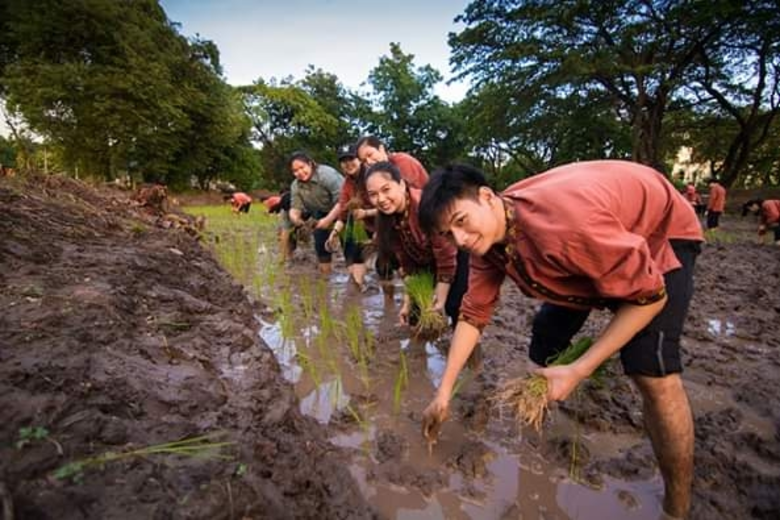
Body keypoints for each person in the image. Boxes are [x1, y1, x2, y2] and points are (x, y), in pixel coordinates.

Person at [417, 161, 703, 520]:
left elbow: (650, 297)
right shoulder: (488, 241)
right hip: (593, 241)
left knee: (650, 370)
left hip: (659, 228)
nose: (459, 240)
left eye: (461, 221)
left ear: (486, 197)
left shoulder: (567, 228)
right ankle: (536, 421)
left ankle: (677, 508)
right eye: (447, 235)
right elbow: (473, 315)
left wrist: (579, 370)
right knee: (546, 335)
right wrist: (443, 393)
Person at [364, 161, 469, 330]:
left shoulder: (424, 206)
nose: (381, 199)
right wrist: (407, 302)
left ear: (401, 184)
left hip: (455, 256)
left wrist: (440, 300)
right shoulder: (387, 220)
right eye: (373, 194)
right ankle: (421, 344)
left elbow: (446, 257)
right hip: (425, 262)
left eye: (386, 189)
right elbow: (407, 264)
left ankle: (466, 344)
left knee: (455, 307)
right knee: (414, 314)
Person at [287, 151, 344, 274]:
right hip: (320, 212)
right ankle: (326, 278)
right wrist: (296, 220)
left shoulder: (327, 175)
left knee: (350, 247)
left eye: (302, 167)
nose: (300, 172)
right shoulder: (295, 185)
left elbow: (343, 200)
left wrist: (328, 220)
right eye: (295, 171)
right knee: (321, 246)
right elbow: (295, 207)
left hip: (345, 209)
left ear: (310, 164)